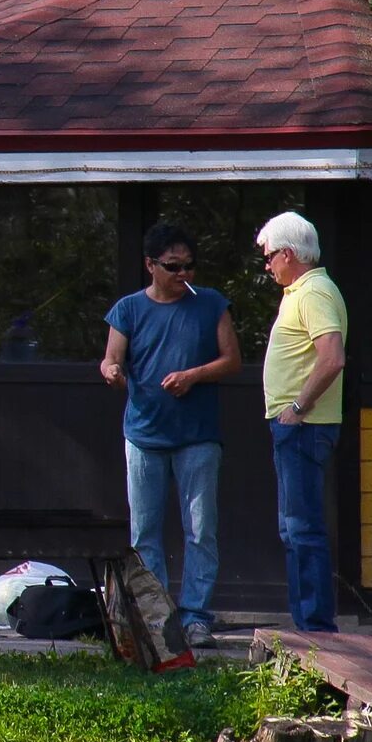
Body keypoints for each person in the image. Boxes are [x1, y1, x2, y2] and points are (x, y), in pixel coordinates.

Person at [101, 223, 241, 646]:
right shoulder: (127, 309)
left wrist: (194, 376)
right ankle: (156, 617)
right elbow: (111, 359)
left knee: (201, 528)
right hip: (144, 434)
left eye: (190, 266)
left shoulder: (211, 304)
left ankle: (196, 616)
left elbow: (232, 361)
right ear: (150, 265)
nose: (184, 275)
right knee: (144, 531)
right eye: (174, 266)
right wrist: (112, 372)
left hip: (198, 436)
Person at [256, 210, 348, 632]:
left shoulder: (313, 292)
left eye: (271, 255)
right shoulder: (303, 291)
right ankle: (307, 625)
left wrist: (298, 407)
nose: (268, 264)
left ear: (290, 254)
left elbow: (332, 357)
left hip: (304, 427)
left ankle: (316, 629)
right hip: (297, 427)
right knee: (293, 530)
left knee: (303, 529)